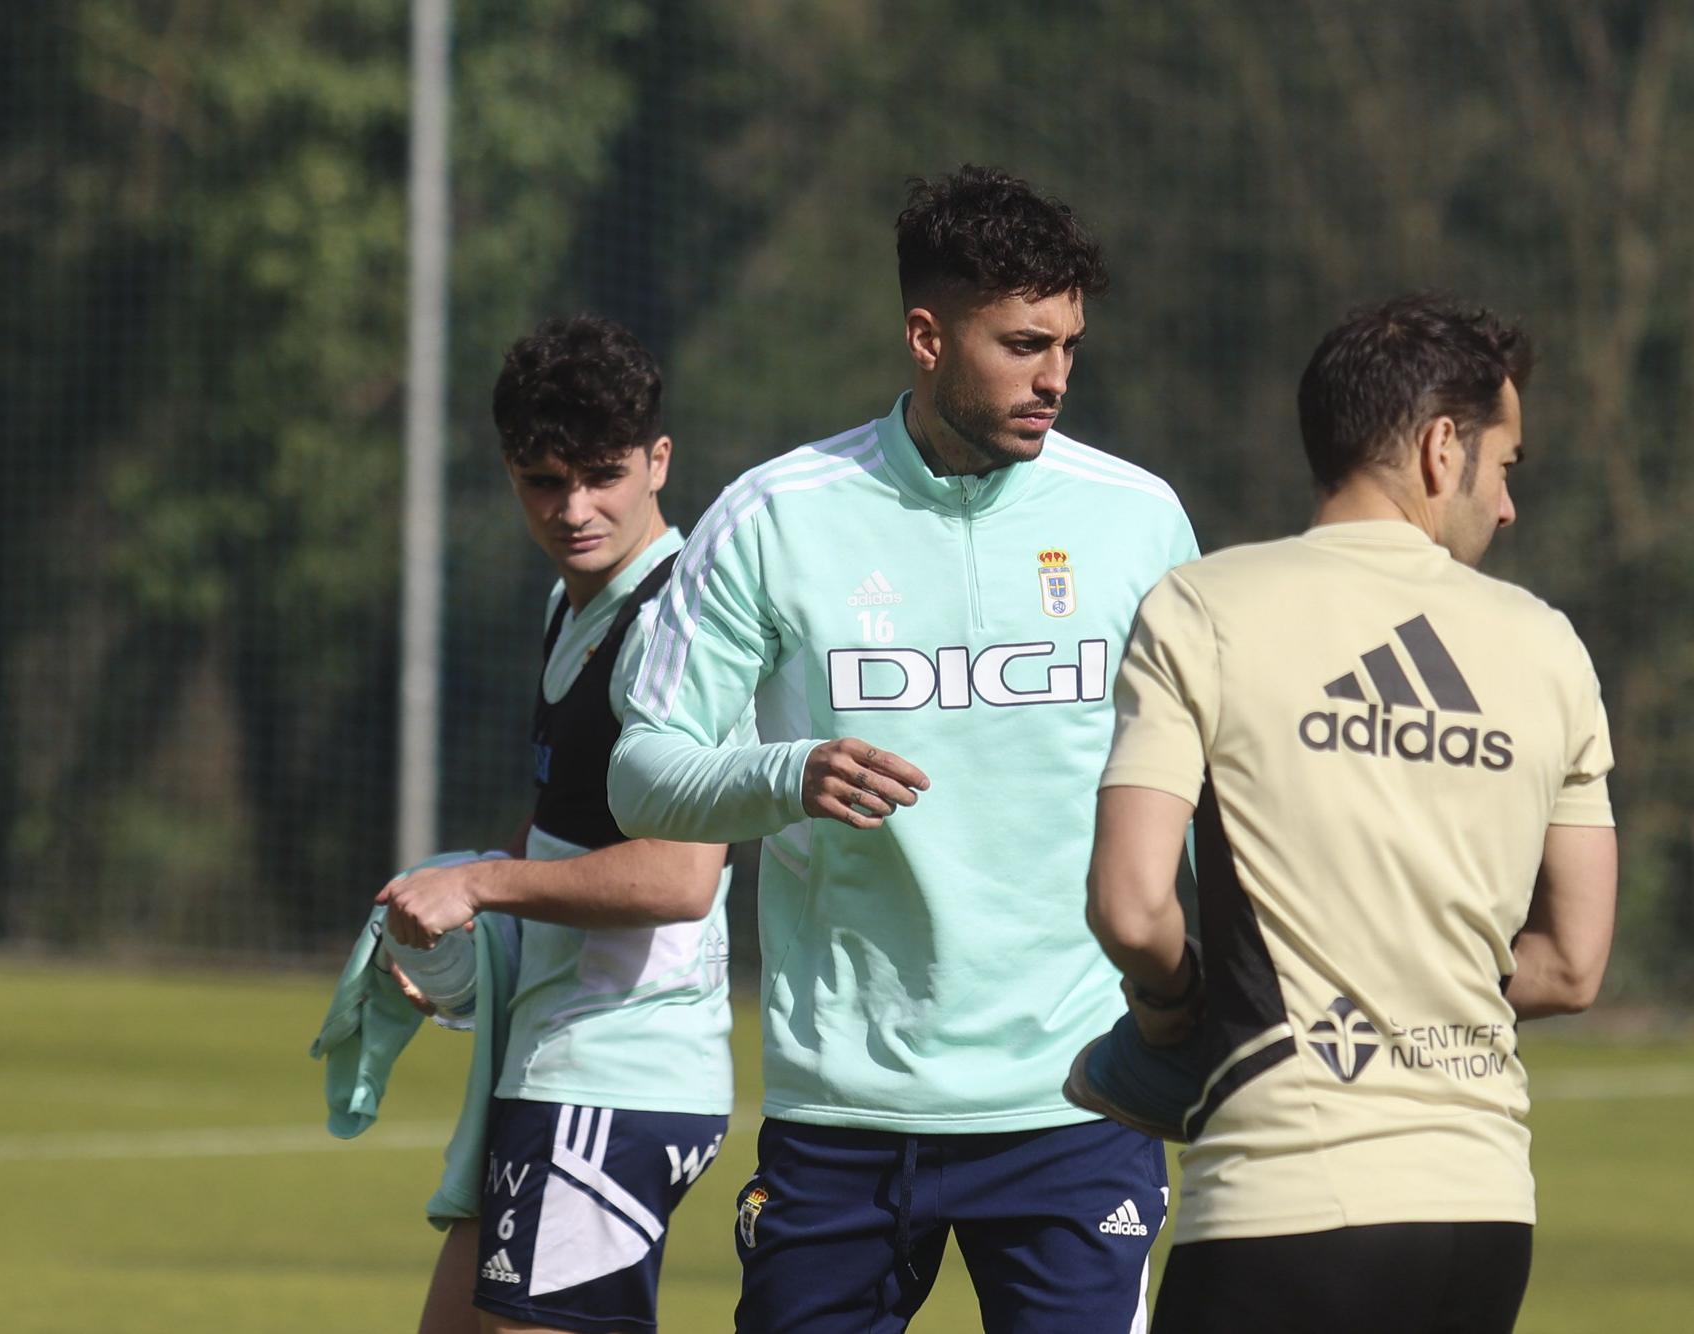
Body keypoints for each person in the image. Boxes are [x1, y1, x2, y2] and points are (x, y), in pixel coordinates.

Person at [608, 165, 1201, 1332]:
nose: (1055, 378)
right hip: (844, 1113)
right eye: (1022, 343)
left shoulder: (1137, 519)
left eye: (1068, 345)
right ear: (925, 336)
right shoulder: (778, 515)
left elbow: (1222, 783)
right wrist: (786, 773)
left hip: (1079, 1102)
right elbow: (641, 769)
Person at [1075, 294, 1618, 1334]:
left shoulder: (1201, 606)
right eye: (1504, 467)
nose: (1505, 506)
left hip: (1285, 1200)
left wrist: (1174, 1011)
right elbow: (1570, 963)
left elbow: (1131, 906)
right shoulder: (1547, 645)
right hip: (1486, 1212)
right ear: (1438, 447)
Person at [378, 315, 743, 1334]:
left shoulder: (677, 625)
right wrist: (467, 941)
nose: (574, 507)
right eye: (543, 480)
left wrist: (480, 886)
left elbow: (678, 876)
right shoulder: (568, 604)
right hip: (551, 1063)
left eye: (601, 474)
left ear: (657, 459)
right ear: (509, 472)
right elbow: (565, 827)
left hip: (619, 1073)